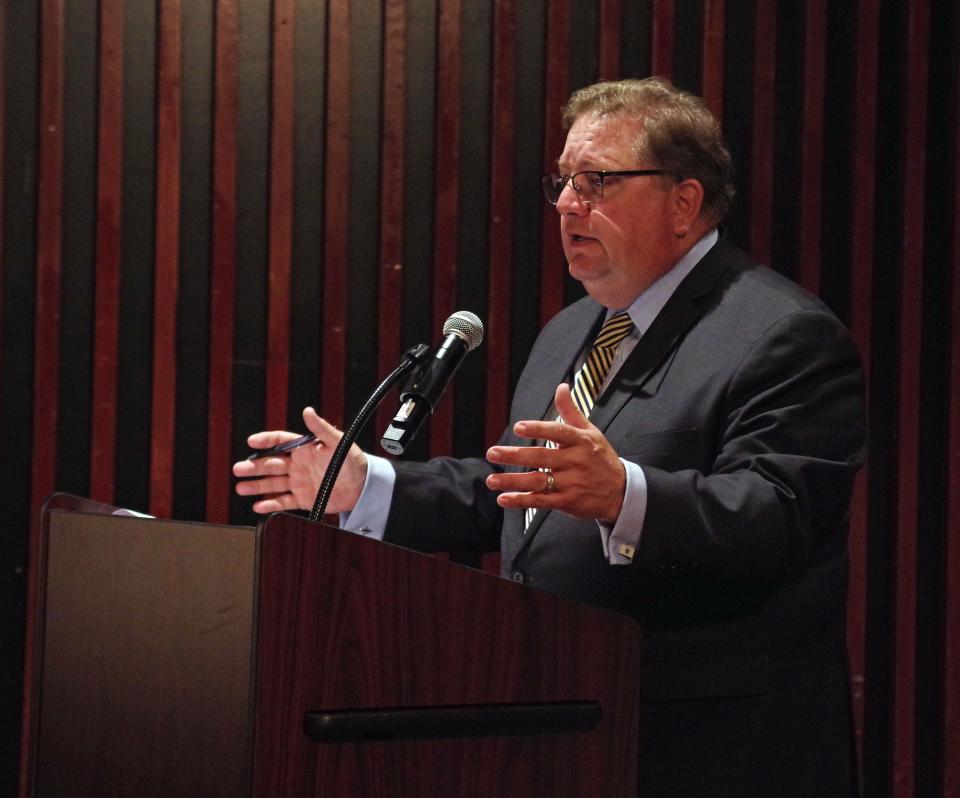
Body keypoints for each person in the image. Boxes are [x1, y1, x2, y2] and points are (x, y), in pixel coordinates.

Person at [234, 77, 866, 796]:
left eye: (598, 181)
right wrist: (369, 484)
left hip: (716, 749)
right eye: (563, 181)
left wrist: (623, 494)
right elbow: (525, 488)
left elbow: (775, 518)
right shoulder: (572, 330)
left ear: (684, 202)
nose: (568, 204)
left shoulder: (781, 334)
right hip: (563, 732)